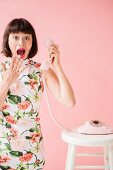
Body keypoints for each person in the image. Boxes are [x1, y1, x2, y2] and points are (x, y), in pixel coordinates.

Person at [0, 18, 75, 170]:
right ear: (7, 41)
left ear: (32, 43)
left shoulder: (41, 70)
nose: (21, 43)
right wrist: (7, 81)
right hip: (3, 154)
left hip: (32, 153)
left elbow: (69, 101)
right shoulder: (1, 70)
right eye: (16, 37)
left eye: (26, 38)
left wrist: (57, 66)